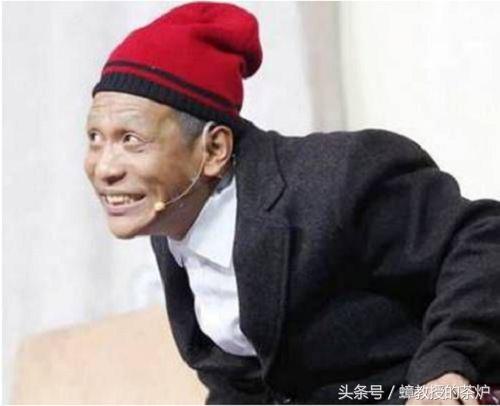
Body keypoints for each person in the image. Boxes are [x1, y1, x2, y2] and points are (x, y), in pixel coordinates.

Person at [84, 2, 500, 404]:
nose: (103, 168)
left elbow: (482, 240)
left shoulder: (339, 178)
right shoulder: (173, 219)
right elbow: (245, 384)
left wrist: (447, 366)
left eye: (130, 139)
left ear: (214, 150)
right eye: (94, 138)